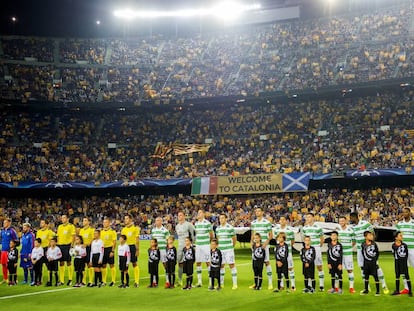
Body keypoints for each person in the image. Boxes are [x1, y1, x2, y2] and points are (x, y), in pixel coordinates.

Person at [350, 212, 389, 294]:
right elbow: (354, 240)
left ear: (355, 217)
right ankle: (366, 287)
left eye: (351, 218)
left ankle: (384, 285)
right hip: (360, 250)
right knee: (362, 268)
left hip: (369, 250)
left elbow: (373, 235)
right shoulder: (353, 228)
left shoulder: (365, 224)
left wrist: (372, 246)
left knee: (376, 266)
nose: (350, 220)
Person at [250, 207, 273, 290]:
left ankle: (270, 283)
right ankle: (256, 283)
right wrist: (251, 242)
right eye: (256, 211)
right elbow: (253, 234)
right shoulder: (253, 223)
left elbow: (271, 235)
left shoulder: (267, 222)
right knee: (255, 264)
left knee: (266, 262)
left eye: (259, 211)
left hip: (264, 246)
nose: (257, 212)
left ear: (262, 212)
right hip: (256, 247)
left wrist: (265, 244)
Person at [302, 213, 324, 291]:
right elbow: (305, 238)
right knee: (309, 267)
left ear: (313, 218)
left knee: (319, 266)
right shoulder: (304, 228)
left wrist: (318, 246)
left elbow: (322, 239)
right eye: (306, 217)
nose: (308, 218)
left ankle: (321, 285)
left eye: (309, 217)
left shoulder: (318, 227)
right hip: (308, 250)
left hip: (316, 248)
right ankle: (309, 285)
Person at [273, 215, 296, 291]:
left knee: (290, 268)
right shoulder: (276, 230)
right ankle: (281, 285)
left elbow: (292, 241)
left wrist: (287, 249)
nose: (281, 221)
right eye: (280, 219)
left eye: (283, 220)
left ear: (286, 221)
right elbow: (276, 241)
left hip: (287, 253)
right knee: (280, 269)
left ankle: (292, 285)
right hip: (279, 254)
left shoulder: (290, 230)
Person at [215, 213, 238, 289]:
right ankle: (221, 284)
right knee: (221, 266)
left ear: (226, 219)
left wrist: (231, 247)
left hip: (229, 250)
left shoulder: (230, 228)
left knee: (231, 265)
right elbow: (218, 239)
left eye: (222, 218)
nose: (221, 220)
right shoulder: (218, 228)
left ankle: (235, 284)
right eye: (220, 218)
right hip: (221, 250)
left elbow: (234, 239)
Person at [396, 207, 414, 294]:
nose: (404, 214)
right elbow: (397, 237)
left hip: (412, 249)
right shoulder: (399, 224)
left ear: (410, 213)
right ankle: (406, 288)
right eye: (403, 212)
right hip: (402, 250)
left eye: (406, 212)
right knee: (403, 269)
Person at [194, 209, 213, 287]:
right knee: (198, 262)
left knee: (208, 262)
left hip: (205, 245)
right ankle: (199, 281)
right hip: (198, 245)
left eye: (200, 212)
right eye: (198, 213)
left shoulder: (207, 223)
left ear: (203, 214)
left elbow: (211, 235)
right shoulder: (196, 224)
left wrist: (210, 243)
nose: (198, 214)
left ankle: (210, 281)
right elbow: (197, 234)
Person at [175, 211, 195, 286]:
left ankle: (190, 281)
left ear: (184, 216)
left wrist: (192, 244)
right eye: (178, 215)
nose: (179, 216)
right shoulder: (177, 226)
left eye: (180, 215)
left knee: (189, 264)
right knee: (180, 263)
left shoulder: (189, 225)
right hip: (180, 247)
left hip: (188, 247)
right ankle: (180, 280)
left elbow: (193, 234)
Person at [337, 215, 356, 293]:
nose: (341, 222)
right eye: (340, 221)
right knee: (338, 270)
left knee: (349, 270)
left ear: (346, 221)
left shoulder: (350, 230)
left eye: (342, 221)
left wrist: (348, 247)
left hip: (348, 253)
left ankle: (351, 287)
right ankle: (337, 287)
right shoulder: (337, 230)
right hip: (339, 254)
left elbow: (354, 241)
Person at [121, 214, 140, 288]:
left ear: (130, 220)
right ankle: (126, 282)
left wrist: (137, 249)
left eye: (127, 219)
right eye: (125, 219)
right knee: (125, 265)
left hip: (132, 247)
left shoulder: (135, 229)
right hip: (125, 247)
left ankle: (136, 281)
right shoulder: (123, 229)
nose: (125, 220)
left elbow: (137, 240)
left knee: (134, 263)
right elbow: (122, 240)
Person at [391, 231, 412, 296]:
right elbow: (393, 254)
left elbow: (406, 254)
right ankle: (397, 291)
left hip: (404, 263)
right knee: (397, 276)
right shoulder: (393, 245)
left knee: (407, 276)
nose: (402, 237)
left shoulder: (404, 245)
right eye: (400, 235)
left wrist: (404, 261)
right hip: (397, 263)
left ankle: (410, 291)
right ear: (396, 238)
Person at [56, 215, 76, 286]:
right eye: (61, 218)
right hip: (60, 246)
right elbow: (58, 236)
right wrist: (57, 245)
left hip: (67, 246)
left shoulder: (71, 226)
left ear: (67, 219)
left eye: (64, 218)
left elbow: (73, 236)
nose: (62, 219)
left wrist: (72, 246)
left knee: (68, 262)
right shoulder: (60, 227)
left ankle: (70, 279)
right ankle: (61, 280)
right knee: (61, 262)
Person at [151, 217, 170, 288]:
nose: (157, 221)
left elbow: (168, 240)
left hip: (163, 250)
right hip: (155, 251)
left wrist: (167, 249)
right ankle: (154, 282)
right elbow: (153, 240)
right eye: (156, 220)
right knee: (154, 266)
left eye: (158, 220)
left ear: (161, 222)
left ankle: (168, 281)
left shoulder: (165, 230)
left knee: (165, 265)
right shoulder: (153, 230)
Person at [360, 231, 380, 296]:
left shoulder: (374, 244)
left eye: (371, 235)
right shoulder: (363, 244)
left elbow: (377, 253)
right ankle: (366, 290)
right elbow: (363, 253)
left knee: (375, 276)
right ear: (365, 237)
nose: (371, 236)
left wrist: (374, 260)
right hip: (366, 263)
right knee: (366, 276)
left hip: (373, 263)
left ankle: (378, 291)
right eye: (369, 235)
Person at [101, 217, 117, 287]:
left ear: (109, 223)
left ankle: (113, 281)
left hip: (109, 249)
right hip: (103, 250)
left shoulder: (112, 232)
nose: (105, 224)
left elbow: (114, 242)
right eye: (104, 222)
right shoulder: (101, 232)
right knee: (103, 265)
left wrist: (112, 251)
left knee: (111, 265)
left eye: (106, 222)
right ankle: (104, 281)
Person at [1, 218, 18, 284]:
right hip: (3, 250)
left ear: (9, 223)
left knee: (11, 265)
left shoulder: (12, 231)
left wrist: (13, 249)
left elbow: (16, 240)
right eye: (3, 223)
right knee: (3, 264)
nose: (4, 224)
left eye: (5, 223)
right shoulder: (2, 231)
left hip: (9, 251)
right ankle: (5, 278)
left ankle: (14, 279)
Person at [79, 217, 94, 286]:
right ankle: (83, 281)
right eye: (83, 220)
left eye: (85, 220)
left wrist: (87, 244)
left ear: (89, 222)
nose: (84, 222)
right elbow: (79, 239)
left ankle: (91, 281)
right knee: (83, 265)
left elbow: (93, 239)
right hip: (82, 249)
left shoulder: (91, 230)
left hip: (89, 248)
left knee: (89, 264)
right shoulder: (81, 230)